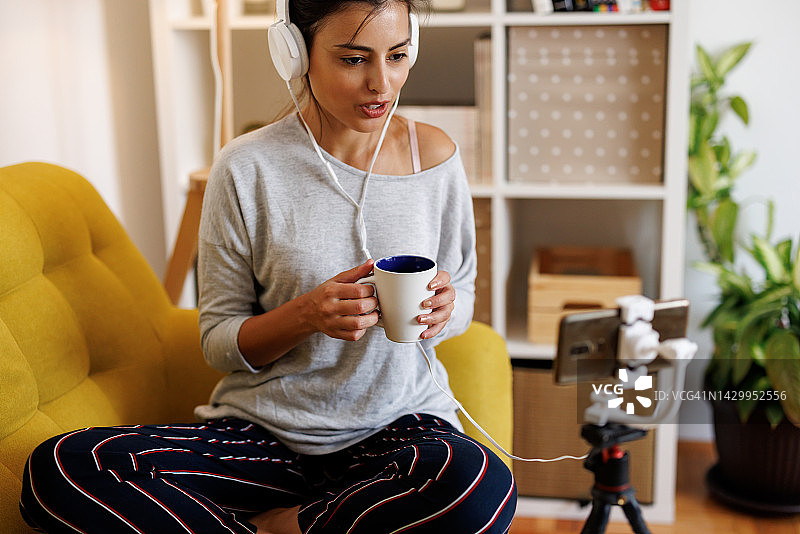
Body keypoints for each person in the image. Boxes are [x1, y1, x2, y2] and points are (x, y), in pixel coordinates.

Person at [19, 0, 516, 532]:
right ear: (295, 53)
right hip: (265, 436)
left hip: (399, 429)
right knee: (63, 468)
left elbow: (463, 293)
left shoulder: (434, 157)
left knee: (481, 485)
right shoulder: (246, 166)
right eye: (354, 59)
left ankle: (284, 525)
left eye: (396, 56)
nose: (382, 83)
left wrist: (445, 309)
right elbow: (219, 342)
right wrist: (307, 315)